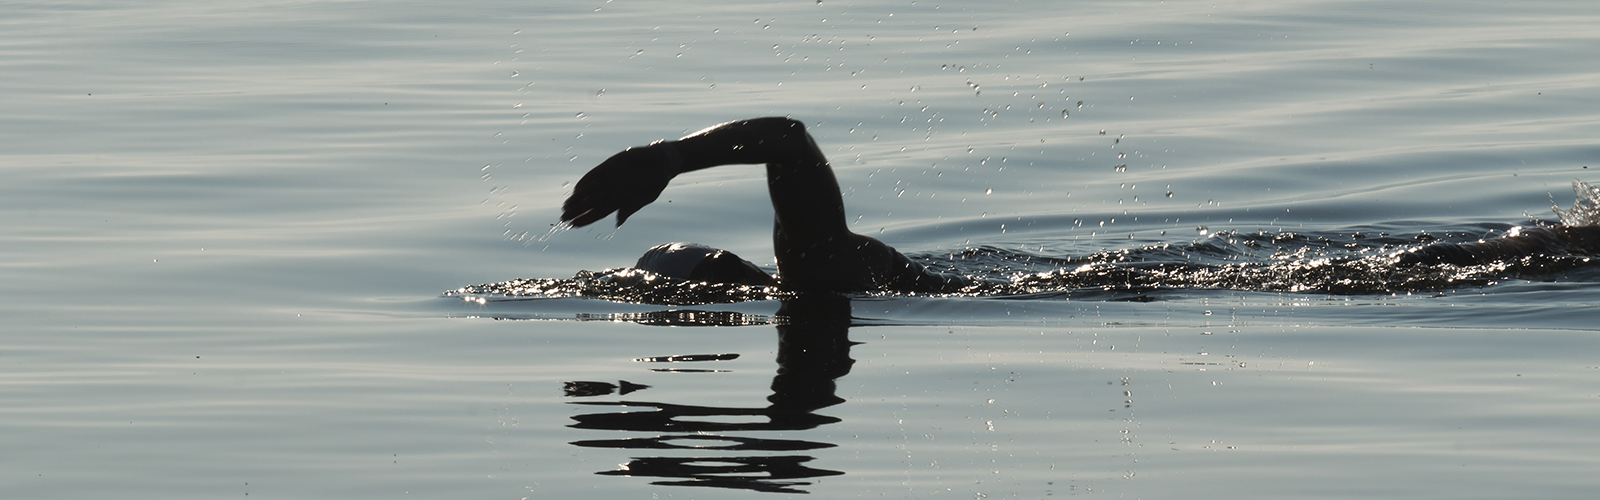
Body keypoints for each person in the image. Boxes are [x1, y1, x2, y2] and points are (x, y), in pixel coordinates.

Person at [561, 117, 968, 293]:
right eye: (714, 268)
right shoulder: (809, 272)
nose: (730, 268)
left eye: (719, 261)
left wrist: (668, 158)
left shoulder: (809, 260)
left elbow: (789, 138)